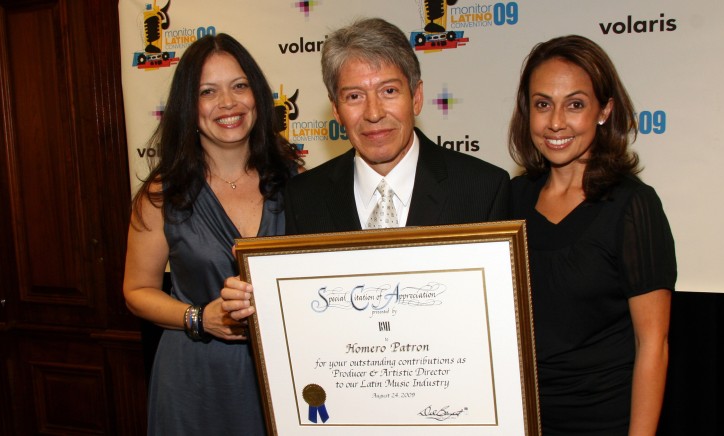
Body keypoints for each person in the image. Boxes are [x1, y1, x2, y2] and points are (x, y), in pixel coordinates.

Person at [221, 16, 510, 316]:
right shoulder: (304, 196)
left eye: (389, 91)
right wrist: (260, 299)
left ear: (417, 97)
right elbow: (305, 309)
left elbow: (495, 314)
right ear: (336, 109)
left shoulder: (483, 189)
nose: (373, 113)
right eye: (355, 96)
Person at [123, 33, 301, 435]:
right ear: (190, 105)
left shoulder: (298, 183)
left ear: (257, 94)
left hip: (281, 376)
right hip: (194, 381)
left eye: (239, 86)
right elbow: (136, 291)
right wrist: (200, 317)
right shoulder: (161, 195)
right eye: (208, 91)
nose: (228, 103)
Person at [508, 35, 676, 435]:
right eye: (542, 104)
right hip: (519, 418)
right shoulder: (510, 199)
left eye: (576, 104)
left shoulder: (633, 206)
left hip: (602, 422)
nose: (555, 122)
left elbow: (653, 344)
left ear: (604, 111)